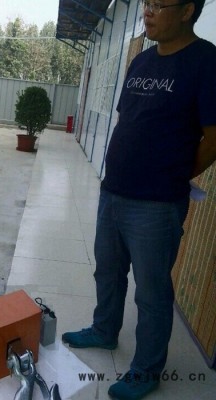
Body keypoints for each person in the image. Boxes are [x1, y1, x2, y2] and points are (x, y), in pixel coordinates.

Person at [62, 1, 216, 399]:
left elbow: (214, 138)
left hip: (157, 203)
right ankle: (104, 330)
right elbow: (127, 120)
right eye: (146, 3)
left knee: (151, 291)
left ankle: (146, 369)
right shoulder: (142, 61)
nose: (147, 11)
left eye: (158, 5)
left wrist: (174, 173)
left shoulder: (205, 62)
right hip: (114, 190)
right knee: (107, 271)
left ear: (187, 10)